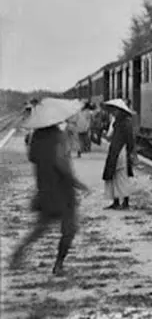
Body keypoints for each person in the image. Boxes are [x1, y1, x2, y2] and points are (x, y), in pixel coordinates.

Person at [8, 101, 90, 276]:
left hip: (45, 189)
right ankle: (58, 265)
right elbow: (61, 165)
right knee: (69, 229)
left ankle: (18, 252)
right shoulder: (57, 136)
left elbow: (33, 158)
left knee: (40, 228)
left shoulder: (35, 137)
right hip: (63, 190)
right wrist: (77, 183)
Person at [101, 99, 138, 210]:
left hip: (121, 152)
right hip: (115, 151)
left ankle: (125, 202)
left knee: (122, 176)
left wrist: (131, 152)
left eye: (115, 110)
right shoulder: (118, 122)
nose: (113, 112)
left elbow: (130, 139)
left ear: (121, 111)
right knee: (113, 176)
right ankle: (116, 201)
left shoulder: (126, 123)